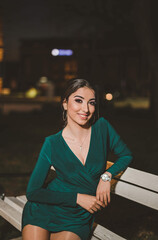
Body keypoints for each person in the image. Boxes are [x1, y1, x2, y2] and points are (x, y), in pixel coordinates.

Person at [22, 79, 133, 240]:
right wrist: (77, 198)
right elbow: (32, 192)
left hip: (77, 217)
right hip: (44, 210)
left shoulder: (102, 129)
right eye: (78, 101)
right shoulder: (52, 143)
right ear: (65, 103)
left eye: (91, 103)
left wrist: (106, 176)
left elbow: (126, 155)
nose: (86, 109)